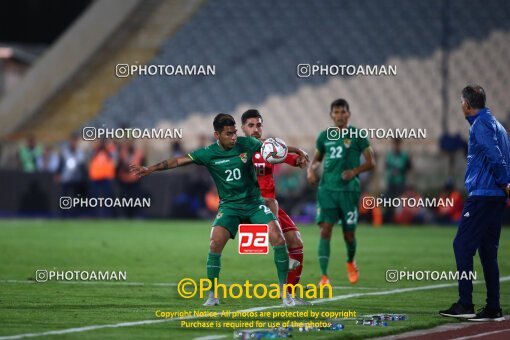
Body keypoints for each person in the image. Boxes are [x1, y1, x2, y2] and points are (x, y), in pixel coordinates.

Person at [130, 113, 309, 307]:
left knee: (278, 238)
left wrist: (297, 150)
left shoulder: (246, 144)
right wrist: (150, 169)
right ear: (217, 134)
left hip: (253, 204)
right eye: (228, 134)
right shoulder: (207, 153)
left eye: (234, 133)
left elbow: (272, 146)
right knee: (215, 243)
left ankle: (286, 296)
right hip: (229, 207)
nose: (233, 137)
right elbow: (177, 161)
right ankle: (212, 296)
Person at [439, 85, 509, 321]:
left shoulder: (480, 125)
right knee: (488, 252)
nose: (461, 105)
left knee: (461, 246)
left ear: (467, 104)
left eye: (461, 102)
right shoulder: (499, 126)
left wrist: (505, 181)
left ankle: (466, 303)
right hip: (496, 198)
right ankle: (493, 306)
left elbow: (495, 155)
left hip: (483, 195)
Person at [240, 109, 310, 305]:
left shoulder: (268, 149)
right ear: (243, 128)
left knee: (296, 241)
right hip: (251, 206)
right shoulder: (236, 150)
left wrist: (299, 158)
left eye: (259, 125)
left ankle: (290, 293)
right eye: (251, 125)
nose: (256, 129)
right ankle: (280, 255)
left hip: (271, 205)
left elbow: (289, 157)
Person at [307, 99, 375, 285]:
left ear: (348, 114)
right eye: (336, 112)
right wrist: (311, 171)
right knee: (325, 230)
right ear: (331, 115)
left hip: (348, 191)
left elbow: (371, 162)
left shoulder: (358, 135)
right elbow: (316, 160)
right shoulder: (324, 136)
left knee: (349, 234)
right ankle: (324, 276)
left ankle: (350, 261)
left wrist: (354, 172)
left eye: (342, 112)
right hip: (327, 190)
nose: (339, 115)